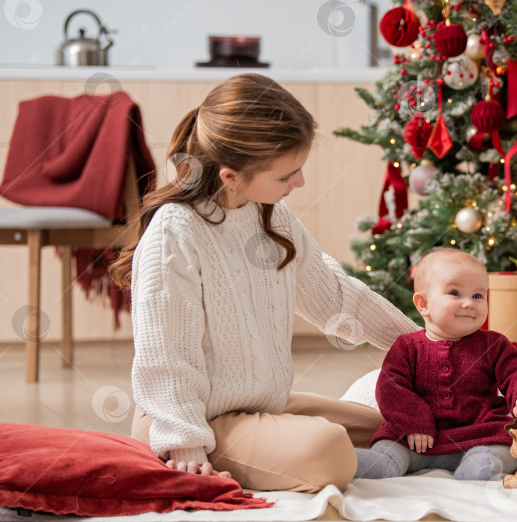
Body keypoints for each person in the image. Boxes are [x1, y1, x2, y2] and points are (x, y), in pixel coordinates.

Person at [109, 73, 419, 493]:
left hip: (254, 407)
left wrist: (430, 351)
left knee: (399, 423)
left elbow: (338, 298)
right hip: (188, 418)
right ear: (231, 175)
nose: (300, 183)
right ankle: (204, 447)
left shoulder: (268, 214)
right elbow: (166, 355)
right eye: (287, 175)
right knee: (329, 450)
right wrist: (185, 445)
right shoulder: (175, 233)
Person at [354, 248, 517, 481]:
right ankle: (377, 463)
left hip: (479, 433)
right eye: (455, 293)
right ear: (423, 304)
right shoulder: (407, 346)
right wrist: (414, 422)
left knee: (509, 444)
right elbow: (391, 387)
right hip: (415, 438)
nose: (469, 303)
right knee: (388, 449)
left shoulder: (493, 344)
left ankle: (480, 467)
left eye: (478, 296)